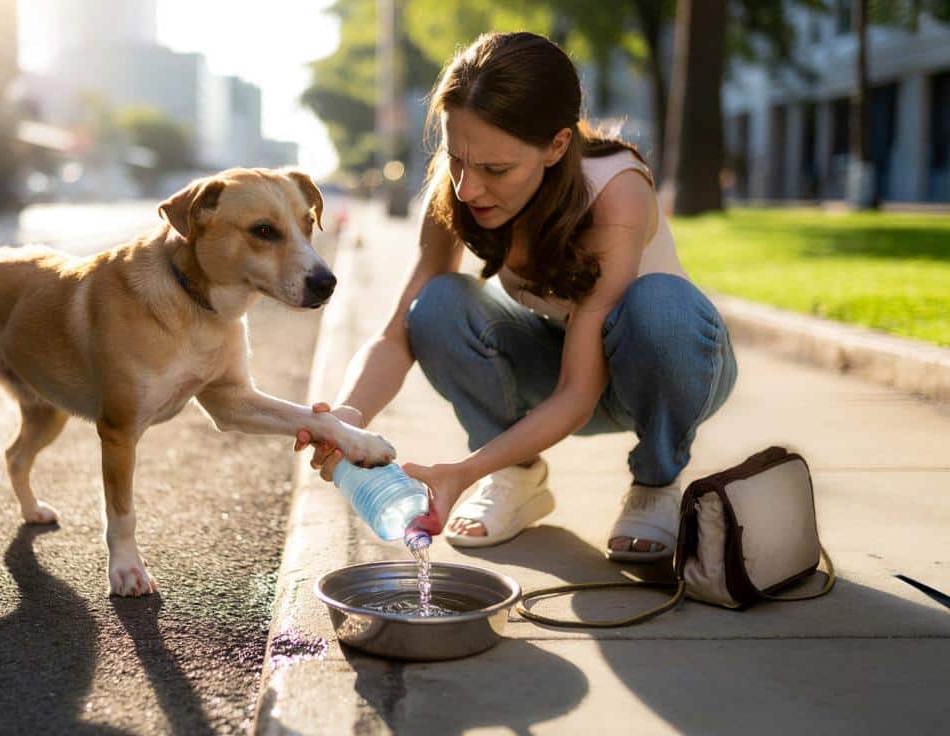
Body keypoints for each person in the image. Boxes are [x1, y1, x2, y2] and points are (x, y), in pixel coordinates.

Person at [294, 32, 737, 562]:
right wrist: (347, 417)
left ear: (556, 146)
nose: (467, 188)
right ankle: (517, 476)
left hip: (665, 365)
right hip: (557, 362)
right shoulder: (457, 187)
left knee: (660, 305)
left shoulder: (616, 191)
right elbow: (396, 336)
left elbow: (579, 391)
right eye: (457, 159)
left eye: (495, 170)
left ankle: (656, 480)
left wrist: (464, 470)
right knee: (435, 305)